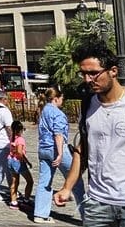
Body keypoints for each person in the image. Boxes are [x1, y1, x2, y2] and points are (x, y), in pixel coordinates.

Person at [54, 39, 125, 226]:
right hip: (97, 203)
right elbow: (82, 150)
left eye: (93, 73)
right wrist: (67, 188)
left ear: (113, 71)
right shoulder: (88, 106)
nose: (87, 80)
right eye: (83, 74)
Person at [34, 86, 85, 224]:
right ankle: (87, 216)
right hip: (56, 149)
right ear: (56, 99)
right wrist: (60, 154)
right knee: (76, 180)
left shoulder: (43, 111)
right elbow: (58, 134)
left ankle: (40, 214)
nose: (63, 101)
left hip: (43, 149)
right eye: (62, 98)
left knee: (45, 181)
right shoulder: (58, 113)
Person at [7, 120, 34, 210]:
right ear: (20, 130)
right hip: (18, 162)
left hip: (10, 160)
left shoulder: (12, 138)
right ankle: (26, 200)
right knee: (30, 181)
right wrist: (27, 161)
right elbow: (19, 152)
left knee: (15, 181)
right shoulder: (20, 139)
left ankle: (13, 202)